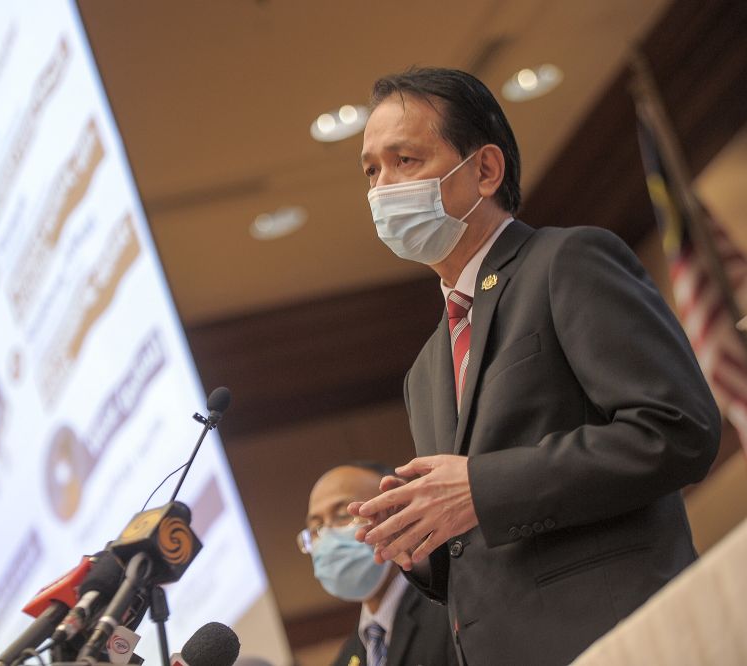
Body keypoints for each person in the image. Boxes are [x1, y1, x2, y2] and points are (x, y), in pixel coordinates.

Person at [350, 67, 720, 665]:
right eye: (371, 171)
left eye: (405, 160)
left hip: (623, 643)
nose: (382, 188)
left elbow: (677, 430)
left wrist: (480, 487)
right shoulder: (423, 370)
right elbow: (479, 551)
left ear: (485, 170)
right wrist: (417, 543)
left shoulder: (566, 261)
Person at [302, 462, 456, 666]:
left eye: (343, 516)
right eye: (316, 527)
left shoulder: (452, 610)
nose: (327, 536)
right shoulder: (347, 657)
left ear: (395, 511)